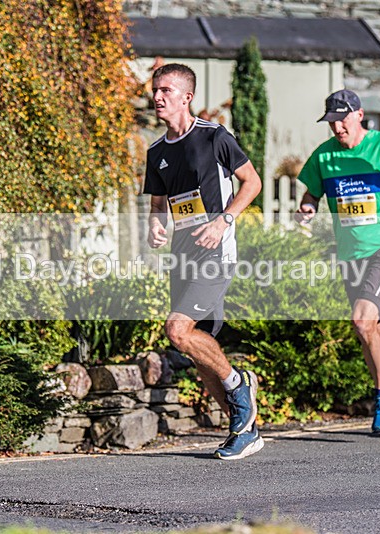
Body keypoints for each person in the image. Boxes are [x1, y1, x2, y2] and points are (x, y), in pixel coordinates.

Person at [295, 89, 380, 438]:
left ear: (359, 115)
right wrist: (308, 208)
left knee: (361, 320)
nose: (337, 127)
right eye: (331, 122)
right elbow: (311, 192)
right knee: (376, 335)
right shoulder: (324, 156)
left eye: (342, 119)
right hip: (350, 257)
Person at [143, 63, 264, 459]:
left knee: (177, 331)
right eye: (155, 90)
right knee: (200, 350)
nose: (157, 97)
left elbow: (253, 182)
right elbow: (159, 203)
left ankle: (239, 386)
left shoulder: (214, 137)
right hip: (183, 256)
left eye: (165, 90)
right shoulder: (157, 152)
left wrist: (224, 220)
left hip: (217, 251)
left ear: (186, 97)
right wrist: (156, 226)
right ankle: (244, 427)